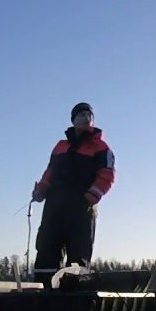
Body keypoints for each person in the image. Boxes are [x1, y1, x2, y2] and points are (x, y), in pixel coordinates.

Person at [31, 102, 116, 283]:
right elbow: (50, 173)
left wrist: (90, 197)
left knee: (78, 254)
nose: (86, 118)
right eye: (81, 115)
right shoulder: (61, 146)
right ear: (73, 119)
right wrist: (41, 191)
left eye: (89, 115)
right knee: (47, 247)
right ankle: (42, 291)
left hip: (81, 207)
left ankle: (75, 295)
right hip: (54, 206)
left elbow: (107, 175)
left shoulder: (101, 147)